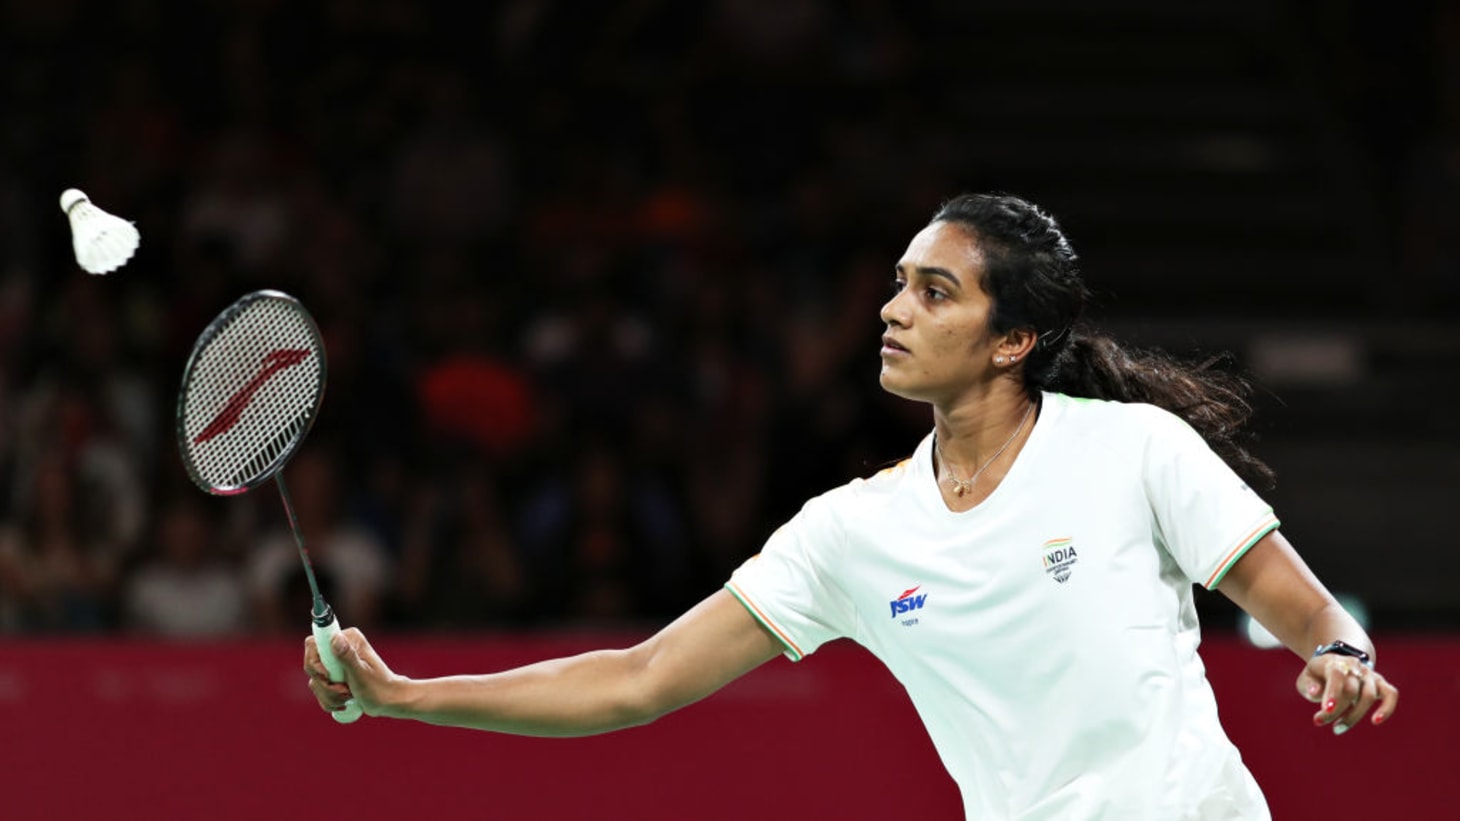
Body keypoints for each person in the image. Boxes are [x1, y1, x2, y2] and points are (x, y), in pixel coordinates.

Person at [305, 193, 1399, 820]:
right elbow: (637, 678)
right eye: (897, 283)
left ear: (1012, 339)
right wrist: (404, 696)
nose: (891, 309)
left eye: (934, 291)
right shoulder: (853, 532)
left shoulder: (1128, 450)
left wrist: (1340, 651)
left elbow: (1295, 601)